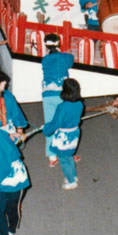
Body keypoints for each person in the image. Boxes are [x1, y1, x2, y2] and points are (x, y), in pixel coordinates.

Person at [42, 78, 84, 189]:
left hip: (63, 137)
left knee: (63, 160)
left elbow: (56, 123)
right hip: (74, 133)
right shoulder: (80, 104)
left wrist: (46, 129)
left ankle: (71, 181)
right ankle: (73, 176)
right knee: (69, 155)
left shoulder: (62, 107)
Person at [40, 33, 74, 167]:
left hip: (47, 94)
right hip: (61, 94)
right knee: (65, 124)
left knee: (50, 123)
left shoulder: (44, 59)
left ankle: (51, 156)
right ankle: (66, 152)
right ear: (58, 43)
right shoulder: (65, 57)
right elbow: (71, 60)